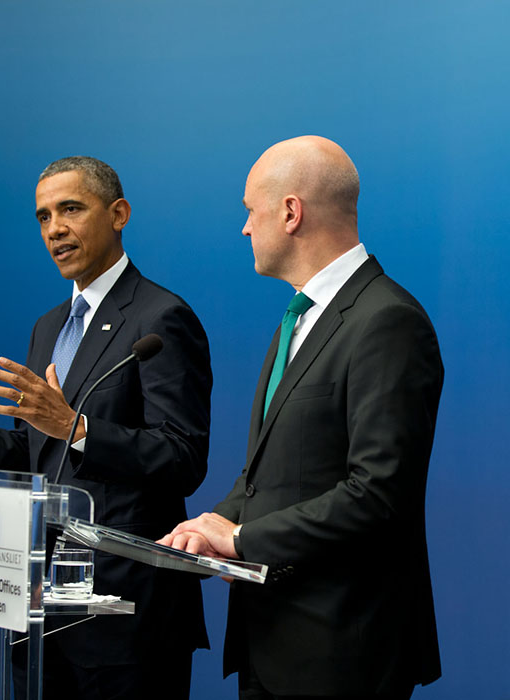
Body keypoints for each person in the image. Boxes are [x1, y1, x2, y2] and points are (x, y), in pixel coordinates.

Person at [0, 156, 211, 700]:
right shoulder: (50, 325)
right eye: (42, 217)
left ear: (118, 214)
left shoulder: (160, 319)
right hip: (37, 604)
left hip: (124, 617)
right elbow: (36, 454)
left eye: (71, 209)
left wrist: (76, 427)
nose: (54, 228)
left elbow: (181, 458)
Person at [159, 136, 443, 700]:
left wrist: (241, 539)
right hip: (270, 639)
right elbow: (270, 472)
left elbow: (379, 495)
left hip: (342, 655)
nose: (244, 228)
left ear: (291, 212)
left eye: (249, 210)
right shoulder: (300, 318)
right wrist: (208, 530)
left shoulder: (388, 321)